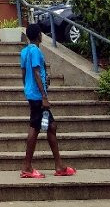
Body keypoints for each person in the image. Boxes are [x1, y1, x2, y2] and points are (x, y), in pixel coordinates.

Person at [20, 23, 76, 179]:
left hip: (32, 93)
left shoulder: (24, 51)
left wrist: (28, 89)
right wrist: (44, 96)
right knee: (35, 128)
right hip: (38, 97)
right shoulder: (36, 51)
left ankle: (59, 166)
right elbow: (36, 72)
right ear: (39, 35)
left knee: (51, 126)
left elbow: (24, 74)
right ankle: (27, 167)